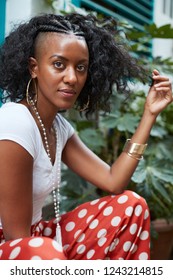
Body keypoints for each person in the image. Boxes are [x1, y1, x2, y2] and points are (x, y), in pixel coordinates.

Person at [0, 13, 172, 261]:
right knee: (42, 250)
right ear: (33, 67)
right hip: (16, 246)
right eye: (59, 64)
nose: (72, 78)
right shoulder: (15, 123)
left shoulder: (57, 127)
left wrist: (149, 115)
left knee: (130, 206)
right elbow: (18, 240)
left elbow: (113, 181)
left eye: (80, 67)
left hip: (38, 242)